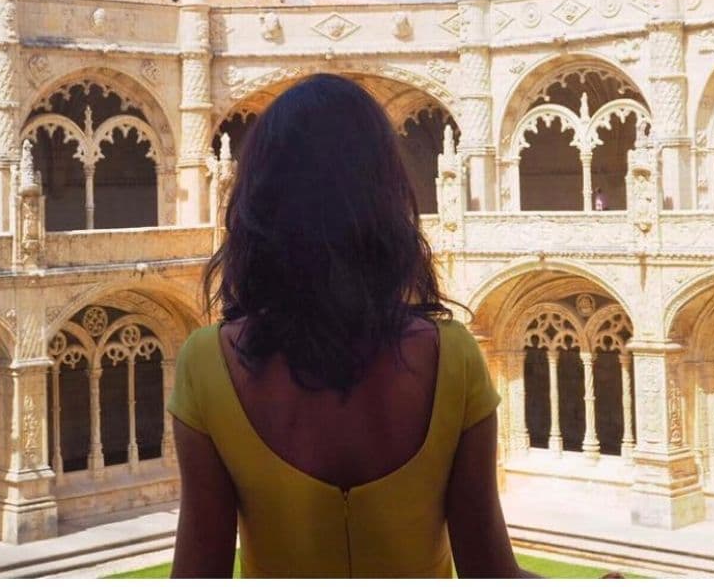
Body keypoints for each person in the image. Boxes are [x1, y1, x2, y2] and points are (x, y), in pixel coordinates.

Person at [168, 75, 569, 578]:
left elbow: (198, 576)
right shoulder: (452, 357)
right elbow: (491, 571)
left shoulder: (208, 364)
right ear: (385, 199)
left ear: (256, 202)